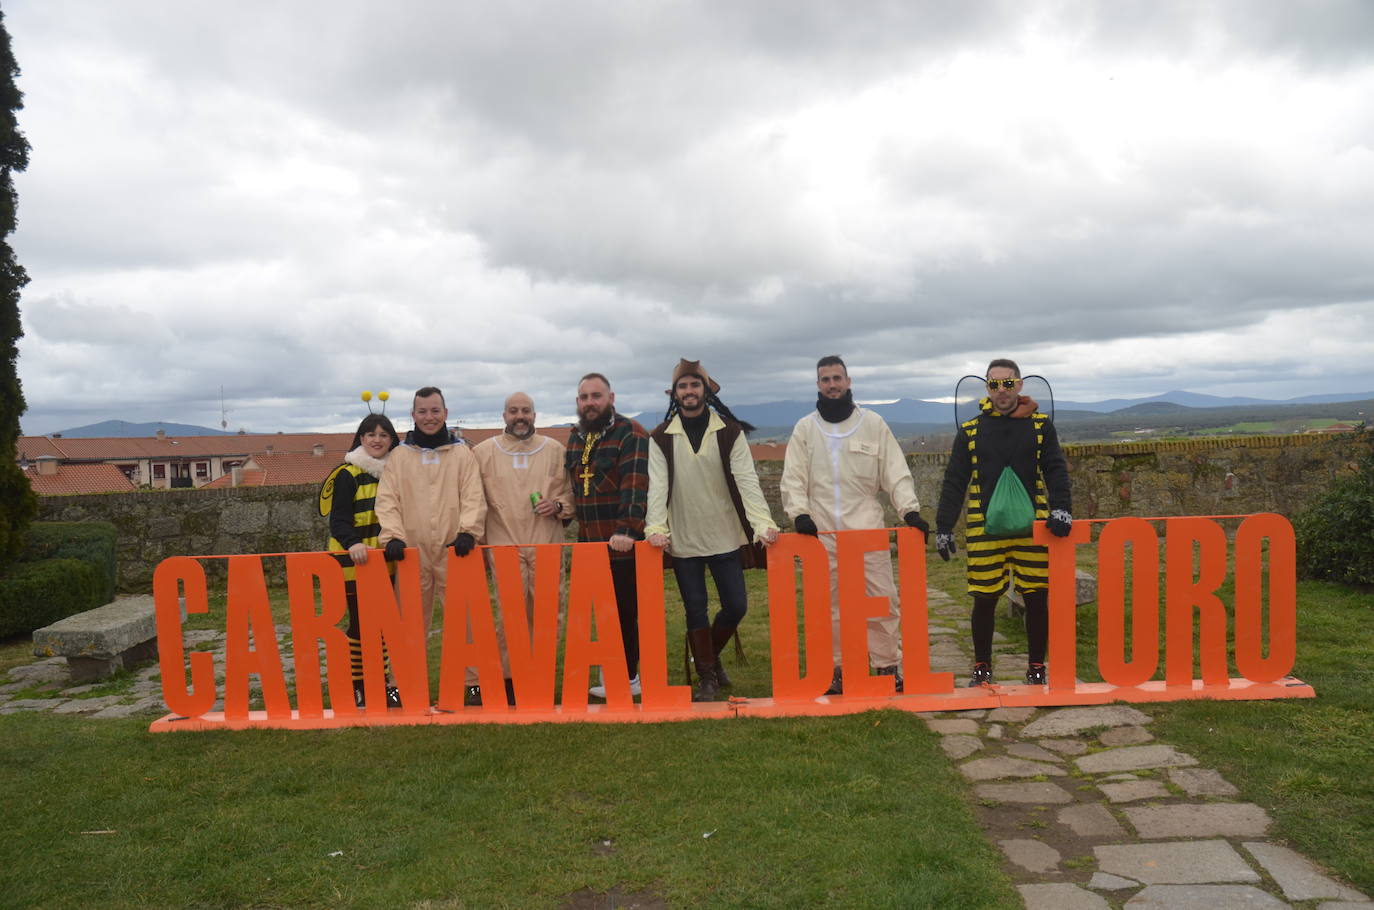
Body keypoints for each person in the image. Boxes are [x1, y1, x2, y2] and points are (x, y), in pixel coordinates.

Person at [780, 355, 928, 695]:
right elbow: (793, 478)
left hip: (867, 529)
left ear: (848, 382)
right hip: (822, 533)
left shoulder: (873, 424)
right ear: (818, 385)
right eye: (825, 379)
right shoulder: (805, 429)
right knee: (830, 606)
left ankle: (887, 666)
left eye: (837, 378)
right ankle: (838, 669)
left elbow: (895, 471)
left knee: (882, 600)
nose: (832, 384)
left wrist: (909, 511)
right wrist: (799, 513)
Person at [646, 360, 779, 701]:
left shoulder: (729, 432)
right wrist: (656, 526)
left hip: (724, 534)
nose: (689, 392)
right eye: (683, 386)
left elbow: (747, 481)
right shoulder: (660, 437)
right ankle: (707, 677)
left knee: (736, 606)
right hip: (684, 537)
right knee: (696, 609)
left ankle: (710, 656)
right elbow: (657, 488)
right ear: (675, 394)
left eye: (694, 385)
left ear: (705, 391)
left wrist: (762, 523)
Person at [934, 358, 1072, 687]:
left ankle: (1037, 667)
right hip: (984, 527)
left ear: (1020, 385)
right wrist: (943, 526)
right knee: (984, 598)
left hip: (1033, 524)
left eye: (1007, 383)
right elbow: (956, 480)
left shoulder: (1041, 426)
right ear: (987, 388)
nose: (1001, 391)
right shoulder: (970, 431)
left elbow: (1055, 469)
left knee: (1036, 596)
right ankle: (982, 667)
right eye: (994, 384)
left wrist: (1062, 508)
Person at [375, 387, 487, 700]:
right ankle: (401, 687)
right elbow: (387, 500)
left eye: (435, 410)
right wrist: (392, 536)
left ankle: (472, 685)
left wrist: (469, 531)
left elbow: (473, 495)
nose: (429, 417)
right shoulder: (399, 457)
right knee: (408, 621)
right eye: (422, 411)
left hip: (455, 549)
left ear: (446, 414)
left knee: (463, 620)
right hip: (412, 551)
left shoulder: (462, 454)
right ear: (413, 415)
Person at [472, 392, 573, 703]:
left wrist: (557, 505)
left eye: (525, 411)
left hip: (545, 543)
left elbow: (570, 495)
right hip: (504, 544)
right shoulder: (483, 452)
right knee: (508, 614)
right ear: (504, 415)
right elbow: (473, 499)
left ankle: (540, 673)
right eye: (513, 411)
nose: (520, 416)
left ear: (534, 415)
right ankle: (508, 679)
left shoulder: (555, 450)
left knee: (547, 612)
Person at [564, 372, 649, 698]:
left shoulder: (630, 433)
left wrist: (627, 530)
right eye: (584, 398)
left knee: (626, 612)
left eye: (596, 396)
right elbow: (573, 488)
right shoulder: (575, 437)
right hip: (589, 543)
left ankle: (629, 678)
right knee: (602, 613)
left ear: (610, 398)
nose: (590, 403)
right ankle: (610, 672)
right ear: (577, 403)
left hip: (622, 543)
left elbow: (636, 485)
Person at [320, 412, 402, 709]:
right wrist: (352, 543)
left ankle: (386, 687)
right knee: (359, 627)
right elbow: (338, 520)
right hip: (354, 563)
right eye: (371, 435)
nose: (377, 440)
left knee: (386, 628)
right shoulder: (347, 473)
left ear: (392, 440)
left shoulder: (396, 472)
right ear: (361, 438)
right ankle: (359, 687)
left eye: (383, 435)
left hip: (387, 562)